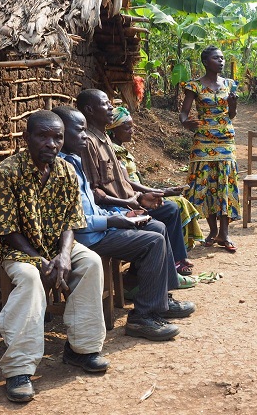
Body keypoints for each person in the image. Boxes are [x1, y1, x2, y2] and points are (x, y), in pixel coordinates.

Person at [0, 111, 109, 403]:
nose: (51, 143)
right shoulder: (6, 173)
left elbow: (71, 221)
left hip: (57, 247)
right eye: (43, 136)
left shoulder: (66, 171)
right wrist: (40, 260)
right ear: (26, 137)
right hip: (19, 250)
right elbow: (6, 231)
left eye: (57, 137)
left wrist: (64, 257)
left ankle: (82, 349)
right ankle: (19, 370)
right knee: (30, 278)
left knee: (90, 262)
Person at [53, 106, 194, 341]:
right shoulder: (62, 168)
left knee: (158, 226)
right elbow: (76, 220)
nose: (85, 136)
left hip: (97, 226)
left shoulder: (74, 161)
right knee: (153, 241)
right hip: (86, 237)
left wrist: (123, 213)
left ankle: (160, 301)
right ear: (62, 134)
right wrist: (112, 218)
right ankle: (142, 318)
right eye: (79, 132)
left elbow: (88, 205)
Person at [75, 89, 193, 278]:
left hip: (127, 202)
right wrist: (129, 203)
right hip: (113, 208)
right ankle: (154, 276)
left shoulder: (104, 137)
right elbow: (93, 190)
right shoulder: (89, 143)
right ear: (89, 110)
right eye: (106, 103)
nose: (111, 107)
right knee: (158, 224)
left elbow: (123, 180)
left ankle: (169, 266)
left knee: (169, 209)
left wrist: (149, 193)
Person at [107, 106, 204, 252]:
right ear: (114, 130)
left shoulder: (120, 149)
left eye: (132, 128)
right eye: (127, 128)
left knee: (179, 202)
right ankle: (176, 255)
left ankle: (177, 254)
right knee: (174, 206)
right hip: (131, 200)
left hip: (138, 195)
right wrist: (161, 191)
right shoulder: (113, 151)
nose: (131, 131)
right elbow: (127, 182)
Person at [180, 45, 241, 252]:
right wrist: (186, 123)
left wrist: (232, 105)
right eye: (217, 58)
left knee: (225, 183)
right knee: (205, 184)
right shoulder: (194, 86)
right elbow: (184, 113)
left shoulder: (230, 84)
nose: (221, 61)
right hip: (202, 141)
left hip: (225, 140)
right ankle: (212, 231)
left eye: (223, 58)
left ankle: (225, 234)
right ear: (206, 62)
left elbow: (231, 115)